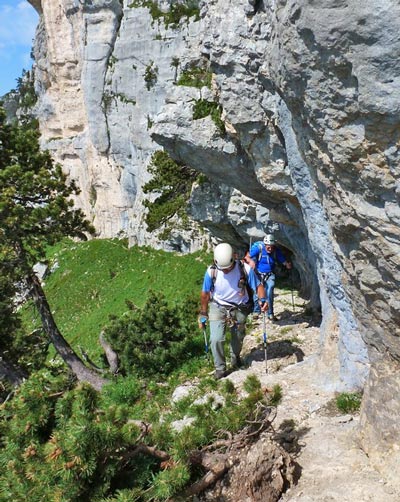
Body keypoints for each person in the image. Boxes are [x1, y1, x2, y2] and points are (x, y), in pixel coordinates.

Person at [198, 242, 268, 380]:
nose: (225, 271)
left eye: (228, 268)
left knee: (237, 338)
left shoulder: (244, 269)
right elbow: (205, 294)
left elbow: (258, 286)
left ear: (234, 258)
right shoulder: (212, 271)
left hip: (239, 308)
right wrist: (204, 312)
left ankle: (235, 356)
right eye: (223, 268)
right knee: (216, 339)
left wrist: (263, 300)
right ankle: (220, 368)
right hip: (218, 306)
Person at [245, 234, 292, 321]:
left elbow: (281, 258)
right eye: (268, 247)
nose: (270, 249)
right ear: (265, 245)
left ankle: (270, 313)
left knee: (270, 289)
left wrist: (286, 264)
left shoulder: (275, 250)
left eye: (272, 247)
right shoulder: (258, 248)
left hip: (270, 274)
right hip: (258, 274)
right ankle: (256, 311)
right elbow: (247, 256)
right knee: (257, 292)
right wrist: (250, 261)